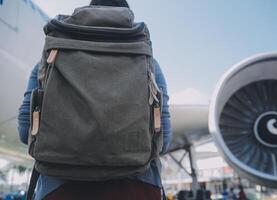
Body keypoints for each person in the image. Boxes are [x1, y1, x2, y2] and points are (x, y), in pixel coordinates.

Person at [17, 0, 172, 199]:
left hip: (61, 190)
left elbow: (25, 131)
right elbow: (164, 139)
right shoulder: (149, 63)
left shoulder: (50, 57)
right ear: (126, 18)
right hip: (136, 189)